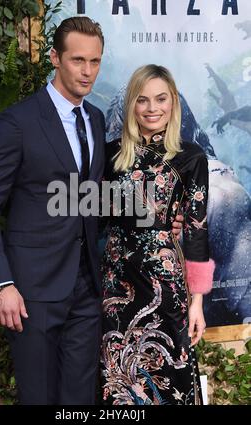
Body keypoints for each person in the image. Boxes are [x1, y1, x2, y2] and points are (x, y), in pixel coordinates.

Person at [0, 17, 183, 405]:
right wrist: (2, 284)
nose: (87, 72)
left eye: (95, 62)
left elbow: (95, 199)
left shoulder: (95, 119)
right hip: (32, 291)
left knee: (81, 399)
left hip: (86, 289)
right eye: (78, 60)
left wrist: (164, 216)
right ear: (55, 57)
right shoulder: (18, 122)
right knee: (39, 397)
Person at [100, 65, 215, 405]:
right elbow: (96, 219)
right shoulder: (111, 156)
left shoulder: (191, 157)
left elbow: (197, 231)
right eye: (143, 100)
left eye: (161, 99)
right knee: (118, 379)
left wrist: (197, 303)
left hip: (165, 284)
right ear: (131, 105)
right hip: (116, 281)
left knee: (171, 378)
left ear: (173, 102)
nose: (152, 108)